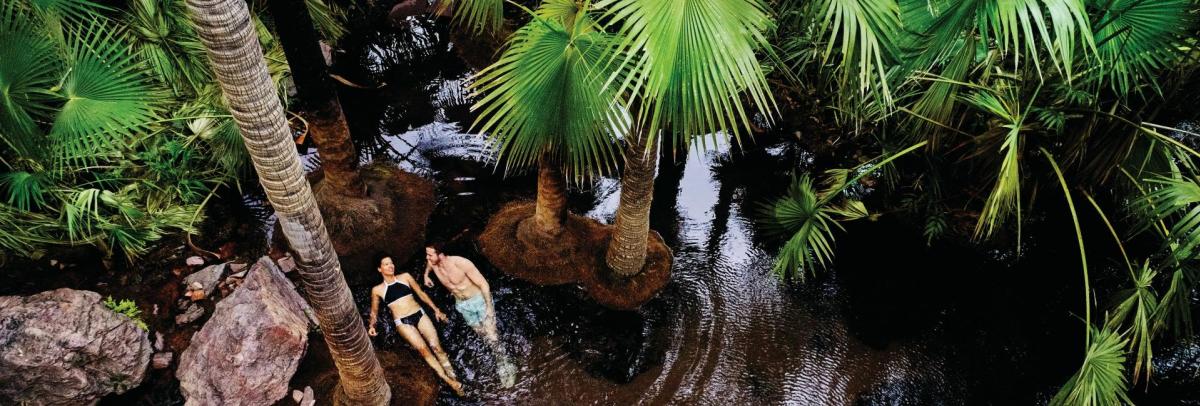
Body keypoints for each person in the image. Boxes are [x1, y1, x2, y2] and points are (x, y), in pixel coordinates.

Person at [368, 254, 464, 395]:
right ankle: (449, 382)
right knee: (424, 351)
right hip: (402, 322)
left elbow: (421, 294)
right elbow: (374, 311)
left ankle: (453, 377)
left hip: (419, 314)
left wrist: (436, 310)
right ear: (379, 269)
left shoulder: (405, 277)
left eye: (391, 263)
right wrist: (372, 326)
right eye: (386, 264)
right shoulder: (377, 290)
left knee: (437, 348)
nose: (391, 266)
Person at [423, 245, 515, 387]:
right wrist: (426, 275)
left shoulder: (461, 263)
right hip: (463, 306)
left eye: (430, 255)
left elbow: (484, 284)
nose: (427, 258)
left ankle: (505, 363)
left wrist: (489, 308)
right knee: (483, 335)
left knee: (492, 335)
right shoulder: (433, 263)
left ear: (440, 254)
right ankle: (499, 357)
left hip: (479, 301)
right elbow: (429, 265)